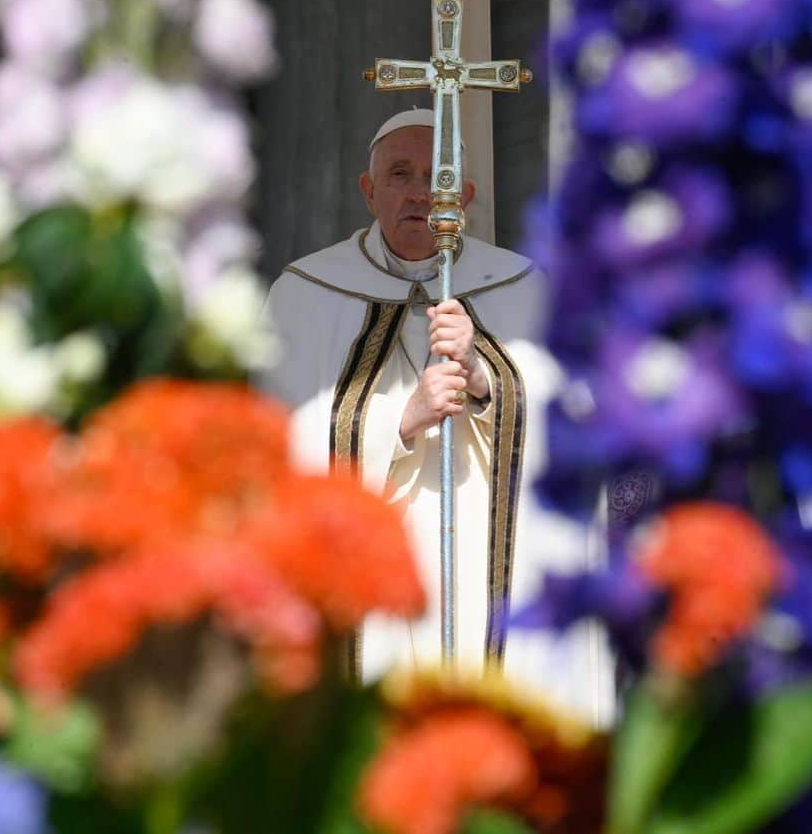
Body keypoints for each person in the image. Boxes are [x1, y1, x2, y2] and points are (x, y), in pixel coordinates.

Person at [262, 108, 613, 726]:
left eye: (439, 176)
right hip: (378, 559)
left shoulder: (522, 285)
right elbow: (279, 449)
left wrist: (486, 376)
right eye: (401, 174)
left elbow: (576, 429)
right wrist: (401, 420)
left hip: (485, 554)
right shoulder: (305, 292)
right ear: (368, 191)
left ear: (468, 196)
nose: (422, 192)